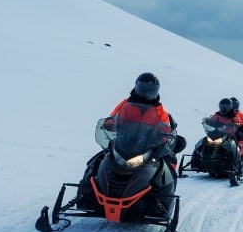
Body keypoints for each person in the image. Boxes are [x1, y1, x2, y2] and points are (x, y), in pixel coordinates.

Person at [77, 72, 185, 206]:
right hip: (124, 142)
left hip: (147, 145)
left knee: (168, 162)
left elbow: (165, 127)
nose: (146, 92)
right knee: (97, 160)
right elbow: (113, 118)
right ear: (137, 87)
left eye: (150, 90)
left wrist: (166, 138)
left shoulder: (160, 110)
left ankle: (163, 202)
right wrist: (108, 125)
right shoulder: (125, 104)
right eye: (143, 88)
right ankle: (84, 194)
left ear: (156, 91)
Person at [203, 96, 243, 170]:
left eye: (226, 107)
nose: (224, 109)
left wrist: (238, 126)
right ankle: (201, 156)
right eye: (222, 107)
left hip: (231, 132)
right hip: (220, 131)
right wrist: (208, 121)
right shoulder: (218, 114)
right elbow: (213, 119)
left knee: (240, 139)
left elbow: (239, 122)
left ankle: (242, 157)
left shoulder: (235, 115)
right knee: (206, 139)